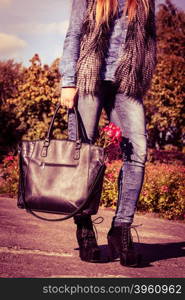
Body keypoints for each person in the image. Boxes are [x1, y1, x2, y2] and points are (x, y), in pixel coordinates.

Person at [59, 0, 157, 267]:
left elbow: (149, 41)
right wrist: (68, 82)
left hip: (126, 83)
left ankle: (121, 229)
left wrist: (142, 78)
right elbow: (74, 33)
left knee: (137, 150)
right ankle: (84, 227)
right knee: (81, 153)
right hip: (89, 78)